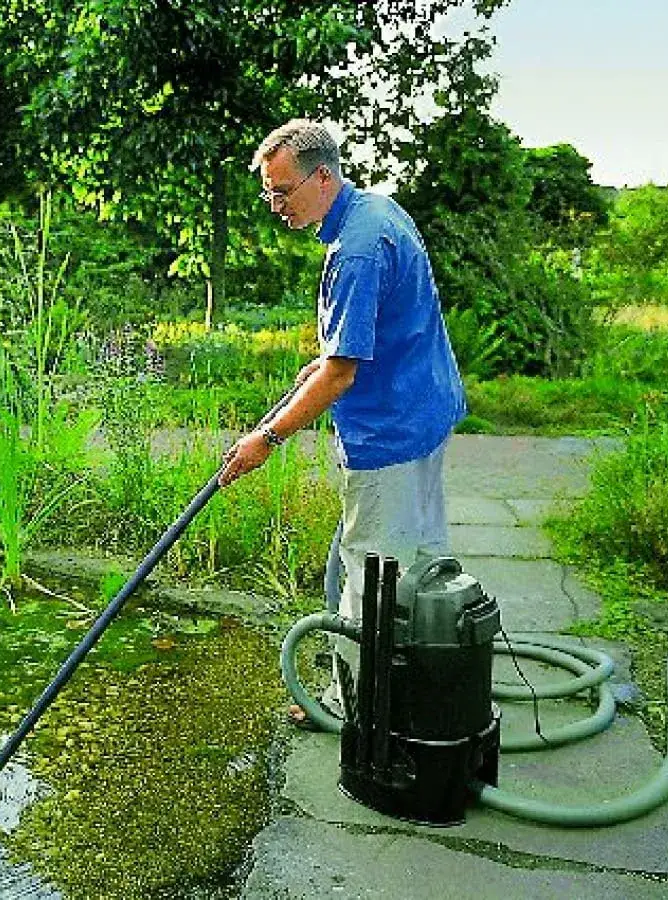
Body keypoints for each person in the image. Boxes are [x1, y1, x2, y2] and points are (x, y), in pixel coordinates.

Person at [218, 119, 467, 723]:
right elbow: (358, 344)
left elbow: (343, 376)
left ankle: (356, 713)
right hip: (425, 409)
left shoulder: (355, 249)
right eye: (268, 192)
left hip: (392, 433)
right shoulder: (375, 212)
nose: (275, 205)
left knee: (368, 583)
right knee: (417, 559)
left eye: (282, 191)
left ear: (322, 177)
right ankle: (426, 682)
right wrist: (327, 360)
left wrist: (266, 440)